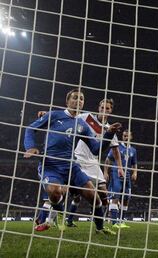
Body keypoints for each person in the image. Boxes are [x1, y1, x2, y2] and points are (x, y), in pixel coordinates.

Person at [24, 89, 120, 235]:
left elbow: (95, 149)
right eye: (75, 98)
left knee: (95, 197)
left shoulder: (82, 125)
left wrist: (109, 134)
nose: (79, 101)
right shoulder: (55, 115)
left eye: (81, 99)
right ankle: (59, 215)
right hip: (51, 165)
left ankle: (100, 228)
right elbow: (30, 129)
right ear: (67, 101)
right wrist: (30, 147)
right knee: (54, 192)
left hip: (71, 167)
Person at [66, 98, 124, 227]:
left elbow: (115, 151)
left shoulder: (110, 129)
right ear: (98, 108)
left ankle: (99, 223)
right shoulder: (86, 117)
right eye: (102, 107)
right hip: (78, 159)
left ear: (111, 111)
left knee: (104, 194)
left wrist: (120, 168)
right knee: (76, 196)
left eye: (107, 108)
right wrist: (48, 114)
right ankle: (67, 220)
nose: (104, 110)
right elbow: (69, 115)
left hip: (93, 163)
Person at [105, 129, 138, 228]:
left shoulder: (133, 150)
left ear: (131, 137)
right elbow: (108, 159)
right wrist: (106, 172)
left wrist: (135, 172)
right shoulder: (117, 147)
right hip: (116, 174)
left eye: (128, 136)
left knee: (126, 198)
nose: (126, 138)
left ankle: (121, 221)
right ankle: (114, 222)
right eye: (124, 136)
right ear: (122, 137)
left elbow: (134, 163)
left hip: (127, 176)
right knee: (116, 197)